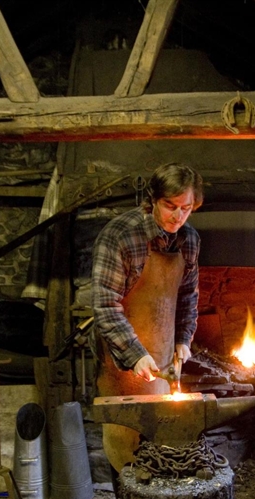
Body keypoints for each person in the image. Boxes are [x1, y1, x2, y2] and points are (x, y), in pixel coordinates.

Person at [92, 163, 204, 471]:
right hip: (121, 361)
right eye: (170, 206)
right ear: (153, 199)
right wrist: (134, 355)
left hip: (162, 357)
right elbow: (105, 305)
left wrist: (183, 339)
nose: (177, 217)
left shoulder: (189, 240)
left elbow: (187, 296)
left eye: (186, 208)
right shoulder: (120, 236)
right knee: (126, 448)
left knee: (160, 443)